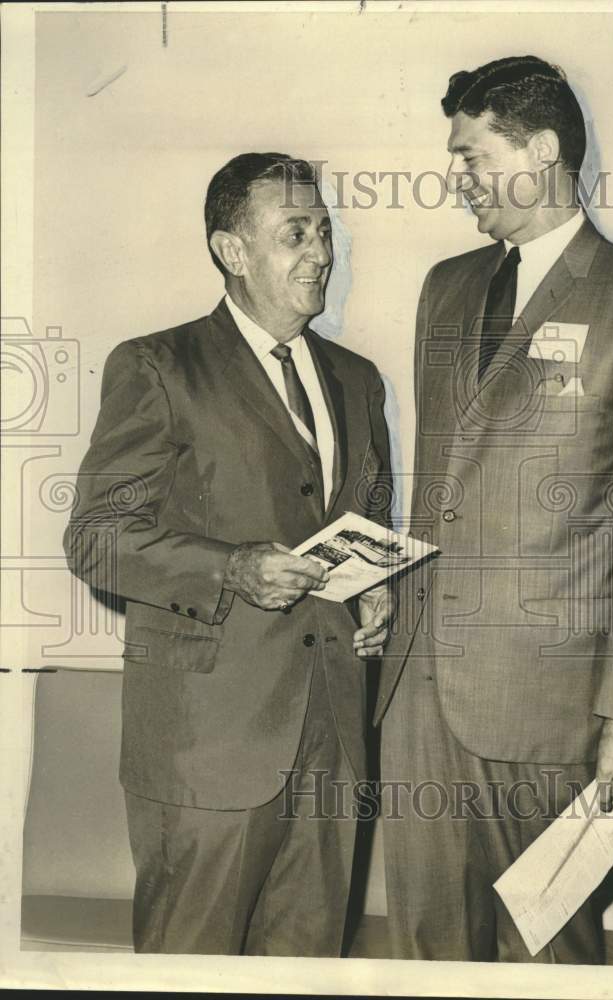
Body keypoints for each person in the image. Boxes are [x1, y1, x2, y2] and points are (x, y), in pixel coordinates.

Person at [376, 56, 613, 963]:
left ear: (544, 150)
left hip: (551, 705)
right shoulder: (444, 287)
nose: (458, 178)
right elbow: (449, 484)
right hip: (420, 693)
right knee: (425, 950)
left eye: (473, 156)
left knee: (549, 955)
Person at [64, 152, 395, 955]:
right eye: (294, 234)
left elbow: (366, 517)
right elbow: (96, 538)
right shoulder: (158, 366)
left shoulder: (357, 380)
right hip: (206, 749)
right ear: (232, 250)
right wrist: (233, 568)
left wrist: (378, 593)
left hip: (332, 741)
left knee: (305, 973)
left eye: (323, 232)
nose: (320, 252)